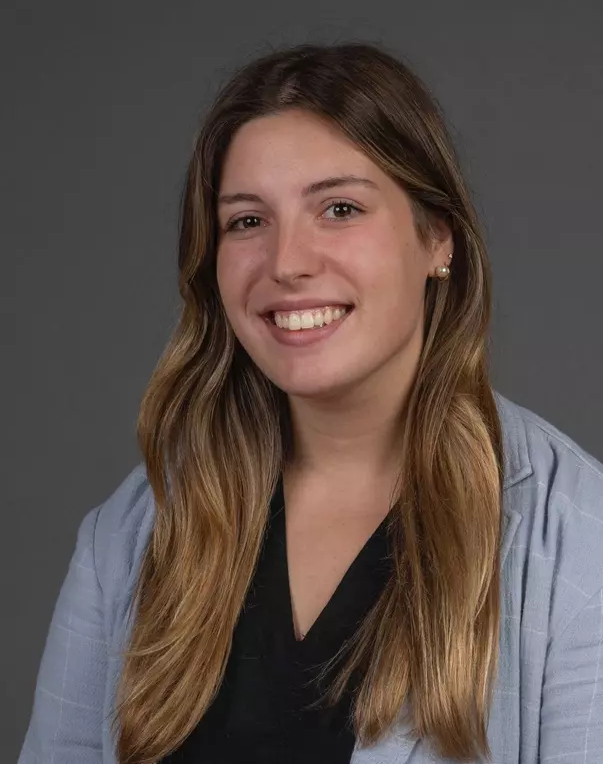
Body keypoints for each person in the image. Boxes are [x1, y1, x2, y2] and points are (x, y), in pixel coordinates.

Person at [18, 41, 603, 764]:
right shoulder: (131, 536)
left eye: (339, 207)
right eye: (247, 221)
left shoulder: (577, 540)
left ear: (437, 240)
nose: (287, 261)